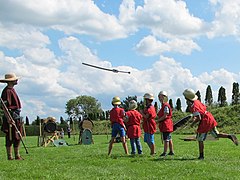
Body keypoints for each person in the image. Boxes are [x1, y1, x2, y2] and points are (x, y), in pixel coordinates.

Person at [183, 88, 239, 160]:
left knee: (200, 139)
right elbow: (201, 111)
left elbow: (199, 118)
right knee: (216, 134)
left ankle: (201, 156)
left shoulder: (193, 106)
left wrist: (192, 124)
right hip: (209, 117)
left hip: (205, 121)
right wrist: (194, 119)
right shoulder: (197, 101)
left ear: (187, 98)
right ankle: (229, 136)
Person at [0, 73, 23, 160]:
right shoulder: (6, 91)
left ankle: (17, 155)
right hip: (10, 116)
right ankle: (10, 156)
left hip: (16, 115)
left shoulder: (12, 90)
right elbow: (4, 106)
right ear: (10, 81)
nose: (16, 80)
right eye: (15, 79)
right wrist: (9, 118)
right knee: (10, 136)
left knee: (17, 136)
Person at [156, 91, 174, 157]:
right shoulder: (164, 105)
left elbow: (165, 115)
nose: (160, 98)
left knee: (166, 139)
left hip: (166, 124)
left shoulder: (166, 105)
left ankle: (165, 152)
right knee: (169, 138)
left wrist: (158, 120)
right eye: (159, 97)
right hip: (165, 124)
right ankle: (171, 151)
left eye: (161, 97)